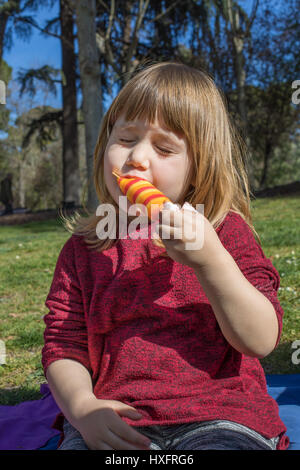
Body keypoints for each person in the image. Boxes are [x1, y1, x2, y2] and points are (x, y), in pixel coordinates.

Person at [42, 62, 289, 450]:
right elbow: (63, 344)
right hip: (116, 420)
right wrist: (82, 407)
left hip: (219, 416)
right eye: (125, 138)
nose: (137, 157)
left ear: (197, 165)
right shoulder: (85, 248)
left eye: (164, 147)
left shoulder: (224, 232)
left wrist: (211, 261)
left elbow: (260, 340)